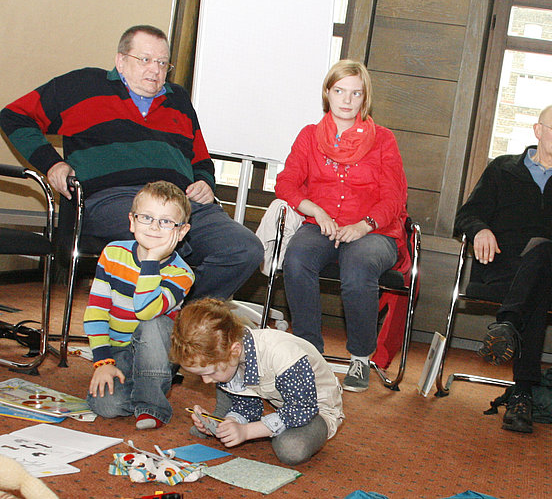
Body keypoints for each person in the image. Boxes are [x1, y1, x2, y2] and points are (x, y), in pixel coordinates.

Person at [0, 24, 262, 301]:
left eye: (162, 63)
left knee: (245, 248)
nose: (155, 70)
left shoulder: (179, 100)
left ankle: (180, 317)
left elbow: (201, 160)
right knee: (161, 238)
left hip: (179, 202)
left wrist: (204, 183)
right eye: (145, 59)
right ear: (121, 61)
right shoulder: (82, 86)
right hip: (114, 199)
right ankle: (159, 311)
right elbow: (14, 116)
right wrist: (52, 163)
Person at [455, 105, 552, 433]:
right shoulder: (502, 169)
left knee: (543, 253)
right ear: (538, 130)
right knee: (535, 290)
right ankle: (522, 393)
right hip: (506, 268)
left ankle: (508, 325)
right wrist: (480, 229)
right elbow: (467, 215)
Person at [274, 59, 409, 393]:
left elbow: (394, 198)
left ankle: (360, 357)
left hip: (373, 230)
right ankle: (308, 353)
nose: (347, 100)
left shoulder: (384, 140)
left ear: (365, 98)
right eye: (339, 91)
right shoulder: (309, 135)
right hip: (321, 226)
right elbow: (286, 183)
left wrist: (364, 225)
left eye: (355, 93)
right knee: (297, 259)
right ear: (327, 93)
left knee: (357, 266)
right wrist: (316, 211)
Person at [171, 298, 345, 466]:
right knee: (224, 385)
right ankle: (242, 422)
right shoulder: (231, 355)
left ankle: (272, 427)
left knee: (291, 448)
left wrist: (247, 431)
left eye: (210, 372)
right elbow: (247, 404)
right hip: (282, 401)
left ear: (234, 350)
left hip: (315, 408)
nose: (206, 380)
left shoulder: (282, 355)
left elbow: (302, 409)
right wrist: (228, 423)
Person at [85, 181, 194, 429]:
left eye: (166, 221)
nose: (154, 227)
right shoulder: (112, 254)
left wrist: (152, 259)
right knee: (106, 406)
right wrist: (103, 362)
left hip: (157, 351)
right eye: (146, 218)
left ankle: (152, 405)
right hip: (119, 349)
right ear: (132, 221)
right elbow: (96, 312)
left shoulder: (182, 273)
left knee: (153, 322)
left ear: (181, 231)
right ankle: (144, 387)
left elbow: (145, 311)